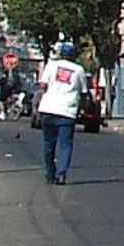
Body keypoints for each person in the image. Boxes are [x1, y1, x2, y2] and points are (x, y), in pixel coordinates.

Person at [38, 42, 88, 185]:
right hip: (67, 111)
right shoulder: (79, 70)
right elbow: (83, 91)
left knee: (49, 144)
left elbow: (43, 84)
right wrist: (82, 108)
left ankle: (49, 173)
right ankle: (61, 174)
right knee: (65, 145)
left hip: (48, 108)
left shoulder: (52, 65)